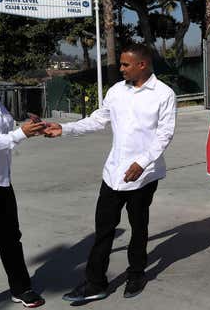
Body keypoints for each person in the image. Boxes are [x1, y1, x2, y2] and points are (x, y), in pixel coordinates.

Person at [44, 43, 176, 302]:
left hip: (143, 176)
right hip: (113, 173)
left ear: (142, 64)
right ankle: (95, 283)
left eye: (126, 65)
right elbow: (97, 120)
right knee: (103, 229)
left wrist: (142, 162)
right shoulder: (116, 91)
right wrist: (65, 129)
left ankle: (136, 273)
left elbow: (164, 134)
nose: (121, 69)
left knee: (139, 227)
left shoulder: (163, 94)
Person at [0, 101, 46, 308]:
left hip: (2, 181)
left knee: (10, 237)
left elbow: (7, 134)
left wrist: (28, 130)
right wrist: (19, 134)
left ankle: (20, 288)